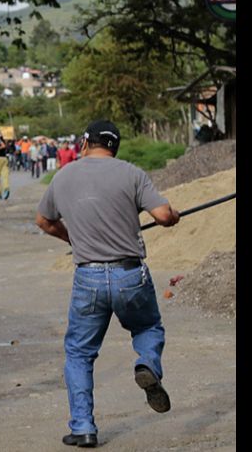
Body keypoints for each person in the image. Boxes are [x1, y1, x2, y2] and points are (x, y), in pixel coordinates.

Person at [35, 120, 179, 448]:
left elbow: (43, 220)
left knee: (79, 353)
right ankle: (147, 363)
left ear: (85, 142)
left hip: (89, 277)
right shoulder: (131, 173)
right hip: (130, 275)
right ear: (115, 147)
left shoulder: (64, 175)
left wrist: (75, 238)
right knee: (148, 329)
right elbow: (162, 215)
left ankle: (84, 427)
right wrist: (173, 215)